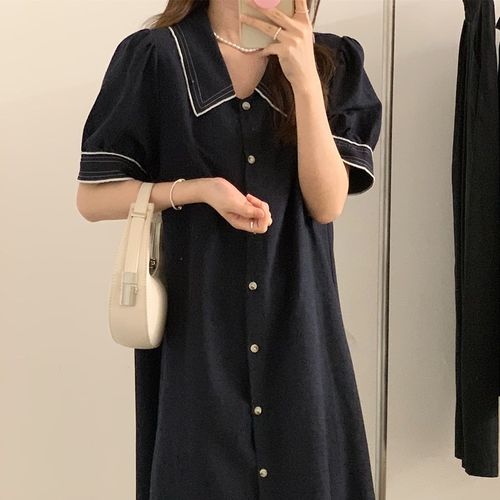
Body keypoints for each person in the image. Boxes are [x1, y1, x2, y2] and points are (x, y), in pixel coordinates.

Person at [76, 0, 383, 498]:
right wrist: (197, 190)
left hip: (298, 335)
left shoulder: (332, 61)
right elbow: (92, 199)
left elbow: (327, 204)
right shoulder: (157, 56)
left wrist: (304, 79)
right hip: (197, 338)